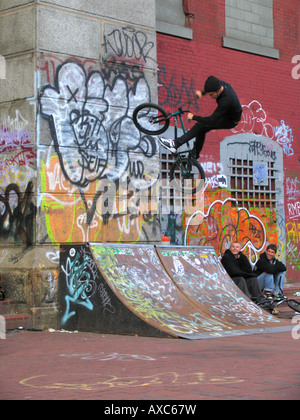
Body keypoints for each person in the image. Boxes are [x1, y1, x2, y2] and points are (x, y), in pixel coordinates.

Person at [158, 75, 243, 158]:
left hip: (231, 120)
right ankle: (195, 154)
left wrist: (194, 117)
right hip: (227, 113)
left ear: (217, 91)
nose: (210, 96)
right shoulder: (221, 84)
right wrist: (202, 93)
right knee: (202, 128)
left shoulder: (226, 101)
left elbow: (211, 120)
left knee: (201, 125)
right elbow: (212, 86)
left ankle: (175, 144)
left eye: (211, 94)